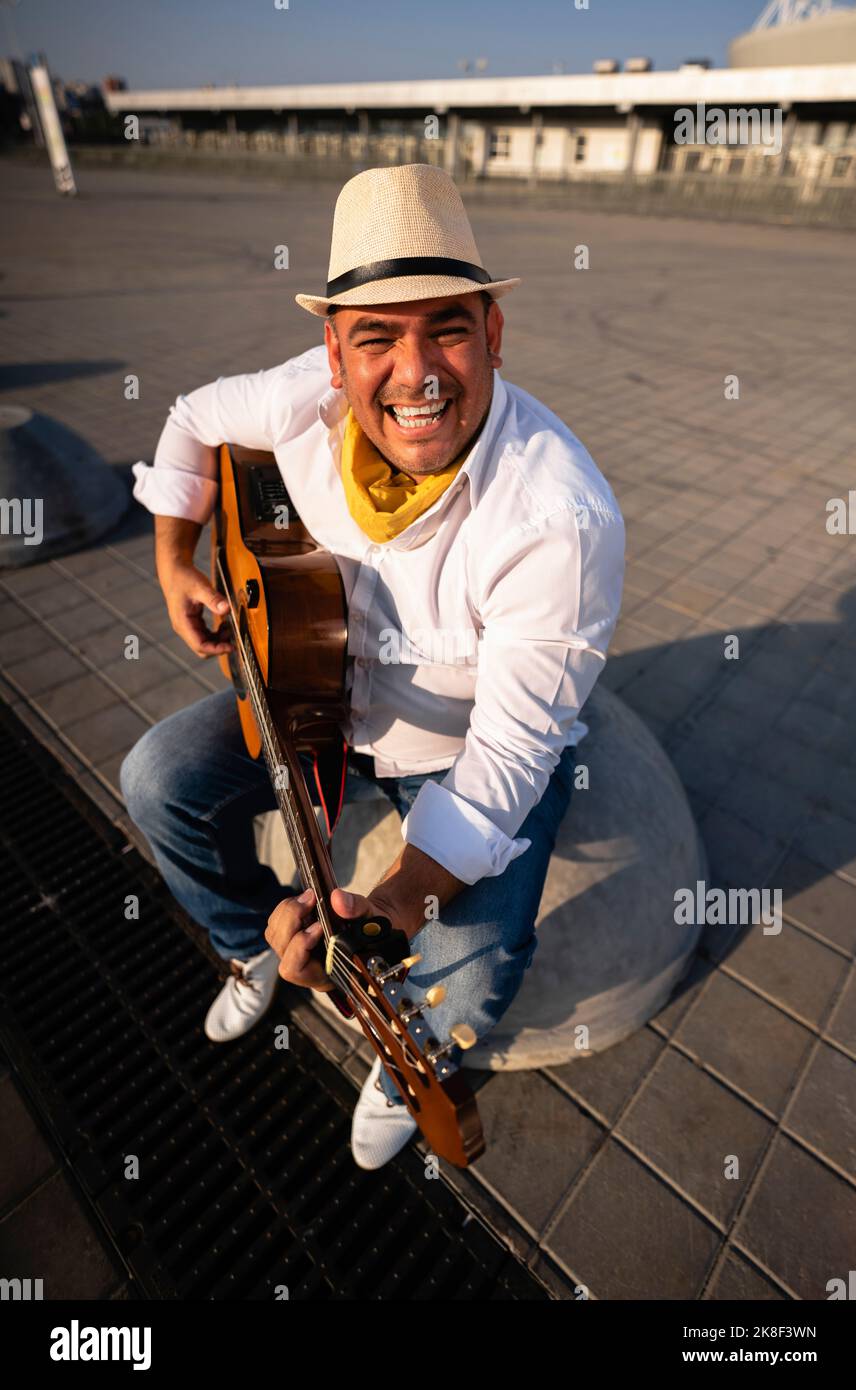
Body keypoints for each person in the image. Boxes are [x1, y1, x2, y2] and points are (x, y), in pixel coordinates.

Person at [121, 162, 625, 1170]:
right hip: (322, 701)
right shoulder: (301, 403)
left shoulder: (559, 519)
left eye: (446, 327)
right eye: (377, 337)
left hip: (461, 743)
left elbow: (504, 767)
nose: (416, 371)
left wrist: (394, 901)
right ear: (333, 353)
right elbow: (190, 418)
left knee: (472, 970)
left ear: (493, 332)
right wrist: (176, 559)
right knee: (155, 780)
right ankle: (250, 940)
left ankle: (407, 1061)